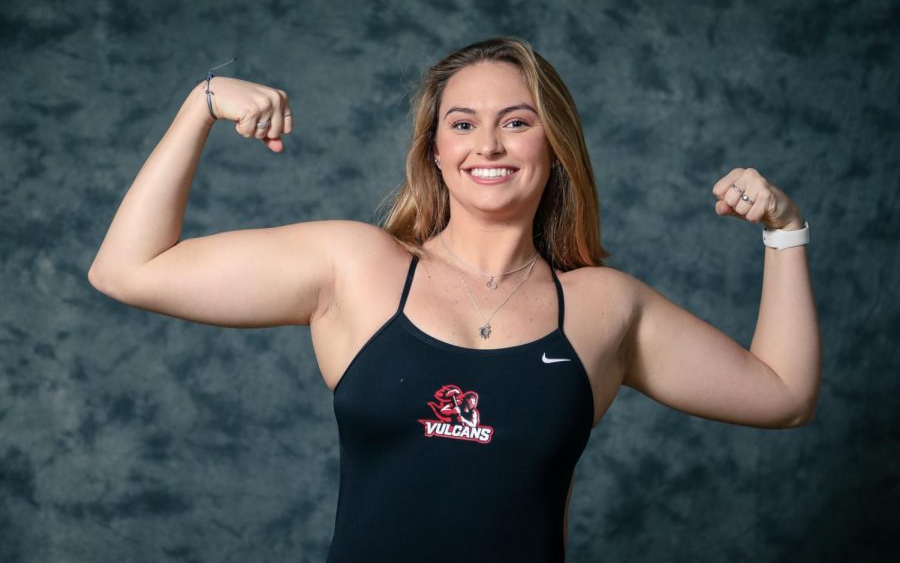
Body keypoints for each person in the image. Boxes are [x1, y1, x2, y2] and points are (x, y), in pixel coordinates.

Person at [87, 37, 821, 562]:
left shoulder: (603, 307)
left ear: (554, 145)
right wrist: (201, 103)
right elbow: (128, 269)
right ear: (435, 150)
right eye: (462, 124)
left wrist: (784, 235)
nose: (489, 146)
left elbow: (782, 395)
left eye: (518, 121)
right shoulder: (356, 265)